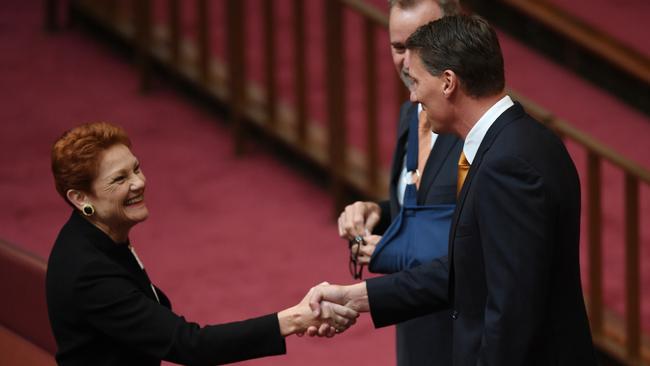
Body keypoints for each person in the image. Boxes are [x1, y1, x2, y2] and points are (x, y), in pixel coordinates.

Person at [312, 15, 596, 365]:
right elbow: (467, 267)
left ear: (448, 82)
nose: (414, 96)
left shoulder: (508, 166)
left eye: (416, 81)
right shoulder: (520, 140)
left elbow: (511, 311)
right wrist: (357, 297)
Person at [46, 122, 358, 366]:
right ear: (80, 198)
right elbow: (191, 345)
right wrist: (295, 319)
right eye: (119, 179)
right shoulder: (89, 271)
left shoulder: (101, 236)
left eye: (137, 168)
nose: (139, 183)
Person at [337, 1, 461, 365]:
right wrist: (380, 211)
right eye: (398, 47)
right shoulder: (412, 111)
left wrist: (392, 251)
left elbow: (475, 235)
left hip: (465, 334)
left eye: (420, 44)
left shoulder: (479, 129)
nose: (408, 61)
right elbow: (423, 206)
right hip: (414, 328)